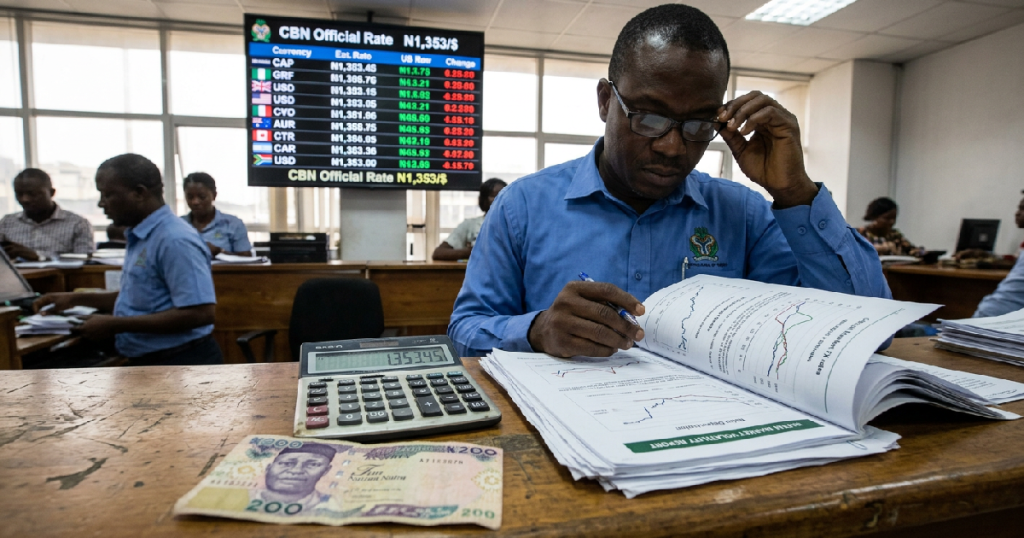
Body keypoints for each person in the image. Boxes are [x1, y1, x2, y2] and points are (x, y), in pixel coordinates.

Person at [448, 4, 891, 358]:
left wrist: (795, 192)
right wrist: (537, 329)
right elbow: (465, 332)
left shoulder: (745, 216)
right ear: (605, 101)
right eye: (649, 117)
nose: (673, 147)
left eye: (699, 124)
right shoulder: (523, 207)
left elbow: (868, 333)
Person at [33, 154, 222, 366]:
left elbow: (200, 314)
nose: (101, 203)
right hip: (155, 361)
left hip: (180, 362)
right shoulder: (142, 235)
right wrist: (74, 300)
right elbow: (140, 298)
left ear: (139, 193)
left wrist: (115, 324)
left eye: (108, 195)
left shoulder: (174, 239)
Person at [0, 168, 93, 261]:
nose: (25, 199)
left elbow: (86, 261)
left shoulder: (77, 224)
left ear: (52, 193)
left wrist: (39, 256)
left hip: (59, 271)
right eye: (19, 194)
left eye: (32, 194)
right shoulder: (6, 223)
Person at [973, 193, 1024, 317]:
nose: (1016, 213)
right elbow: (1015, 260)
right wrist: (986, 255)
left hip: (995, 316)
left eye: (1022, 209)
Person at [432, 178, 507, 261]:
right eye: (494, 196)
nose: (499, 200)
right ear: (483, 199)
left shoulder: (514, 225)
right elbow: (438, 253)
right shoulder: (470, 224)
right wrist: (471, 251)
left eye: (503, 196)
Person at [181, 172, 253, 257]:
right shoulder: (179, 225)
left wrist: (219, 252)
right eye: (190, 197)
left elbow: (246, 258)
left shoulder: (233, 224)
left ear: (214, 195)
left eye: (202, 197)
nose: (195, 202)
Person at [252, 443, 337, 512]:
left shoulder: (334, 505)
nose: (296, 470)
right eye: (286, 463)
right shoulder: (246, 496)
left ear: (326, 471)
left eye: (312, 464)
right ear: (268, 468)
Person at [856, 197, 924, 257]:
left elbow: (911, 250)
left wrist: (921, 252)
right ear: (874, 217)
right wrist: (877, 249)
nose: (892, 221)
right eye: (887, 218)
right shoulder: (859, 234)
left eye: (894, 218)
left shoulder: (894, 235)